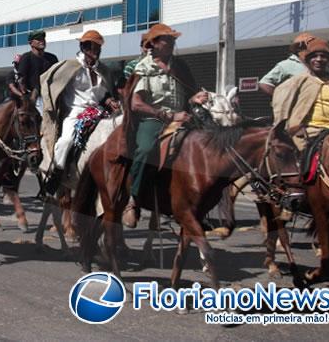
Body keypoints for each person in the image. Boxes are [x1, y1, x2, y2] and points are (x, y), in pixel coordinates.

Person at [123, 23, 208, 227]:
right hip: (154, 119)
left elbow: (191, 91)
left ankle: (197, 205)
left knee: (207, 147)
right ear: (154, 44)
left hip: (184, 118)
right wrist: (168, 115)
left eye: (173, 40)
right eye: (166, 40)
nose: (171, 43)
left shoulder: (181, 66)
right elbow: (136, 104)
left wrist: (198, 97)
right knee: (145, 149)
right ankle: (132, 200)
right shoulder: (144, 67)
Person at [41, 30, 119, 195]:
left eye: (98, 48)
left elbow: (104, 93)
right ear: (83, 47)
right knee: (66, 140)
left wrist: (109, 100)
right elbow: (47, 81)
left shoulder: (103, 70)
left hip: (100, 111)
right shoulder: (69, 67)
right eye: (91, 48)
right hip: (76, 112)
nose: (95, 52)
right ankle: (57, 172)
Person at [273, 36, 329, 150]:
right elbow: (281, 104)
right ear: (308, 60)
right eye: (314, 56)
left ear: (328, 60)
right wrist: (288, 127)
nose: (318, 59)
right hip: (310, 132)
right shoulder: (298, 82)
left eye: (323, 56)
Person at [18, 30, 58, 113]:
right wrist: (27, 99)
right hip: (34, 99)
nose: (42, 41)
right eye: (38, 39)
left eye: (43, 39)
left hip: (51, 96)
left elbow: (57, 77)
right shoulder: (26, 58)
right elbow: (21, 80)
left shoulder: (52, 58)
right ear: (31, 43)